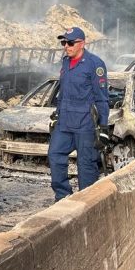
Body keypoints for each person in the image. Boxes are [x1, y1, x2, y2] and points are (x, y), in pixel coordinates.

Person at [47, 27, 110, 201]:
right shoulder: (65, 63)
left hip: (85, 124)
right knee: (54, 154)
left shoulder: (95, 64)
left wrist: (103, 126)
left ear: (82, 44)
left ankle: (86, 202)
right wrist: (57, 115)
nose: (66, 46)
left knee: (86, 164)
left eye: (70, 43)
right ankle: (63, 196)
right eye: (64, 43)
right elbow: (63, 93)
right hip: (65, 122)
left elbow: (102, 98)